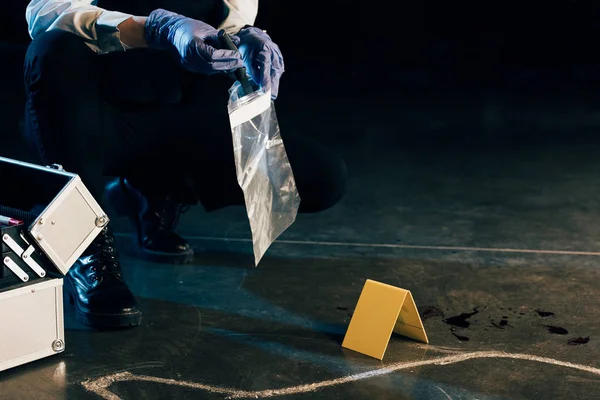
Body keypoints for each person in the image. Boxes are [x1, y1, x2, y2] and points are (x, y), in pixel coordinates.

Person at [24, 0, 347, 330]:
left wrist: (245, 37)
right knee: (53, 47)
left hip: (179, 111)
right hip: (93, 121)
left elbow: (233, 15)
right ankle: (86, 246)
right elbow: (45, 13)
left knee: (321, 177)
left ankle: (154, 189)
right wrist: (153, 30)